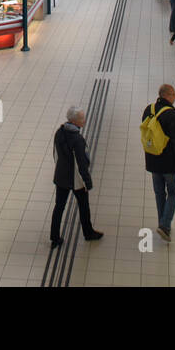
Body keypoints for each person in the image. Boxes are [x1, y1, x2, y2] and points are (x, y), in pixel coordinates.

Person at [50, 106, 103, 247]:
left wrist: (60, 169)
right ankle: (88, 232)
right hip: (76, 180)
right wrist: (87, 182)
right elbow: (82, 164)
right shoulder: (78, 140)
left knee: (59, 206)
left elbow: (55, 154)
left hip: (60, 177)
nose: (84, 120)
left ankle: (55, 237)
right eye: (82, 118)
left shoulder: (59, 133)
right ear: (74, 121)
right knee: (83, 206)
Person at [140, 84, 175, 241]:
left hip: (153, 160)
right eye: (173, 95)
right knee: (173, 192)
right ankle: (165, 225)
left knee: (159, 193)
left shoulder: (149, 109)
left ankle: (163, 223)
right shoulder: (172, 115)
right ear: (167, 95)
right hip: (170, 164)